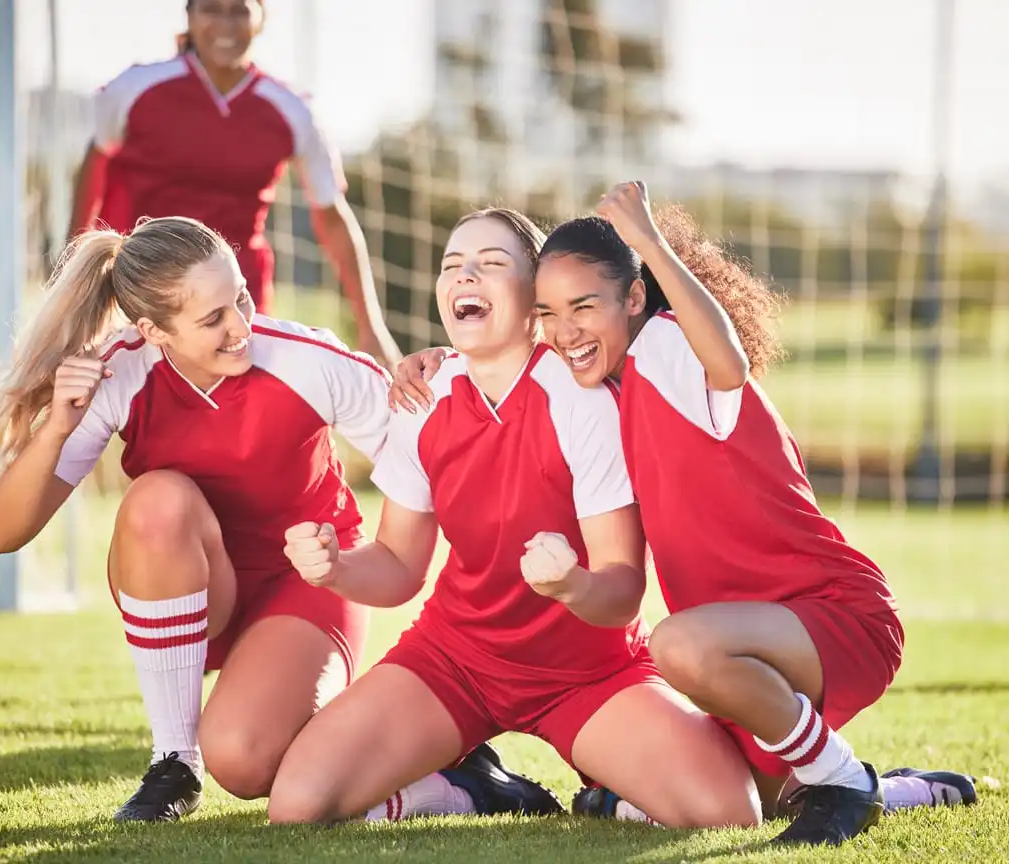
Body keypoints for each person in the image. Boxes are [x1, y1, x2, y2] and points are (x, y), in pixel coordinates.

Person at [388, 185, 978, 844]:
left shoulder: (669, 349)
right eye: (548, 312)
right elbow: (524, 359)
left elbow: (726, 361)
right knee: (751, 795)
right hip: (746, 647)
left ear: (635, 298)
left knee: (678, 646)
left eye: (584, 306)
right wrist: (438, 362)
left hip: (829, 615)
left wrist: (651, 246)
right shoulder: (605, 382)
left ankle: (847, 786)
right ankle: (890, 787)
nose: (564, 329)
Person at [266, 208, 762, 828]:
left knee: (727, 812)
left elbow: (622, 589)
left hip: (587, 672)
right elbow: (397, 568)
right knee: (297, 807)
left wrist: (572, 585)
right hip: (456, 660)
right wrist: (336, 567)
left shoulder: (583, 399)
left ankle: (610, 794)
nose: (465, 276)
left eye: (492, 264)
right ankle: (465, 790)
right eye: (452, 266)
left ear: (536, 300)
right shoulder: (424, 398)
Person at [0, 216, 392, 823]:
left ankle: (442, 781)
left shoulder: (306, 358)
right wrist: (57, 424)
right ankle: (173, 763)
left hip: (307, 582)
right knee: (156, 499)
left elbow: (429, 455)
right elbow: (2, 534)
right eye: (212, 318)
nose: (240, 326)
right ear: (152, 330)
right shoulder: (120, 372)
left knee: (243, 762)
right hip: (195, 583)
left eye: (239, 297)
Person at [68, 0, 401, 368]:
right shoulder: (133, 89)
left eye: (239, 9)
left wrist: (371, 327)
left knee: (233, 419)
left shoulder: (292, 112)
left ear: (260, 18)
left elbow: (332, 217)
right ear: (189, 16)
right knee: (135, 414)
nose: (225, 23)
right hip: (140, 289)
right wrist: (72, 281)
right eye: (211, 8)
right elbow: (94, 169)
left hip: (236, 297)